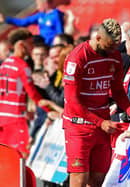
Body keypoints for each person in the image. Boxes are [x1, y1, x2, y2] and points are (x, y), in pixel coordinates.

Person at [62, 18, 130, 187]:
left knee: (98, 181)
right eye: (108, 47)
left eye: (115, 47)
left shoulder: (115, 56)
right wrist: (99, 122)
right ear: (97, 38)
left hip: (102, 126)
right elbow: (72, 100)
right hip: (79, 126)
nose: (112, 51)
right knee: (79, 180)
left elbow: (117, 91)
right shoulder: (78, 57)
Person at [0, 28, 46, 158]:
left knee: (5, 160)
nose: (32, 47)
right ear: (21, 45)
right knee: (20, 159)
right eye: (30, 44)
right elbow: (34, 96)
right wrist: (50, 109)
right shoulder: (22, 67)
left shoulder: (4, 65)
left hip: (3, 119)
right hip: (16, 120)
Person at [0, 0, 64, 45]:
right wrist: (6, 19)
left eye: (38, 4)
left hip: (52, 45)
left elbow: (60, 32)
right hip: (42, 44)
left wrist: (57, 44)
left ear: (45, 2)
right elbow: (23, 22)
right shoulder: (40, 15)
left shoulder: (56, 15)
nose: (37, 7)